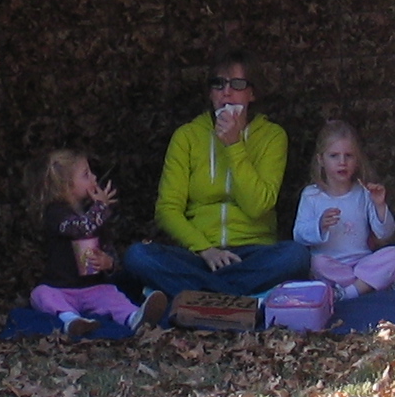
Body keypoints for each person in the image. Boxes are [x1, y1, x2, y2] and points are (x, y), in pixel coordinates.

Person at [120, 52, 313, 298]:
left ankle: (200, 295)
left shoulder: (272, 136)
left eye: (237, 84)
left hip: (252, 253)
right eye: (218, 84)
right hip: (198, 255)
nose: (226, 92)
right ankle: (234, 297)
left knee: (295, 256)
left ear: (251, 94)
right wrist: (205, 249)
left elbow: (259, 205)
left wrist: (234, 146)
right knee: (138, 256)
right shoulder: (187, 136)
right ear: (210, 93)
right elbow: (167, 209)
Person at [30, 149, 169, 339]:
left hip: (93, 288)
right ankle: (71, 320)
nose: (94, 177)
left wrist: (108, 263)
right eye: (86, 175)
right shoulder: (56, 213)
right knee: (41, 294)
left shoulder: (93, 213)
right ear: (67, 186)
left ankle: (134, 318)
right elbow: (80, 228)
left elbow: (107, 247)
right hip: (61, 288)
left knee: (111, 293)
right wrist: (101, 208)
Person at [294, 120, 395, 297]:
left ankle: (350, 292)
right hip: (332, 266)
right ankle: (372, 285)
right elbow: (299, 235)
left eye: (349, 156)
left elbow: (385, 234)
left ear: (357, 159)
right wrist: (319, 225)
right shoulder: (311, 195)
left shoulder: (363, 192)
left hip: (363, 262)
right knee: (316, 263)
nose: (342, 162)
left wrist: (380, 205)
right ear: (321, 160)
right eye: (334, 156)